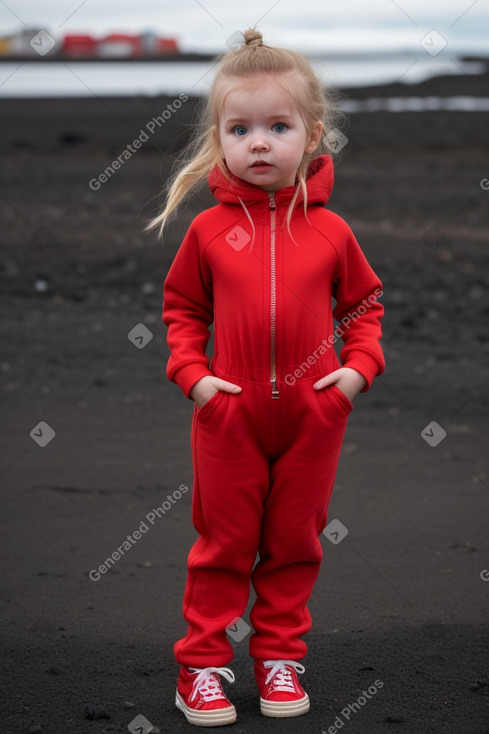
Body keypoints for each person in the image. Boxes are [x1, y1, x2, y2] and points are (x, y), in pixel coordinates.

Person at [145, 28, 385, 727]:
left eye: (276, 127)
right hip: (229, 413)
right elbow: (182, 309)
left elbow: (364, 306)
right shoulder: (208, 233)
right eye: (240, 128)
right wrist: (193, 378)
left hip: (313, 417)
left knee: (294, 543)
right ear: (218, 137)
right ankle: (203, 669)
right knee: (222, 545)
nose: (258, 143)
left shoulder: (332, 231)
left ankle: (280, 658)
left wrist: (353, 375)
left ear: (311, 137)